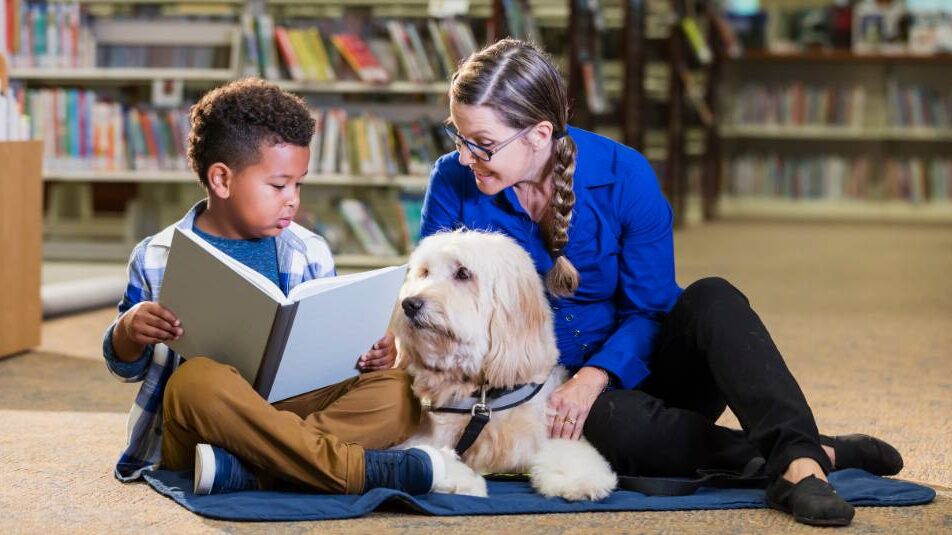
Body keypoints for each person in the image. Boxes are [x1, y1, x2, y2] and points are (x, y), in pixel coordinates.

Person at [412, 39, 903, 527]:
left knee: (713, 296)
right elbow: (428, 289)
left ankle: (800, 468)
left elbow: (649, 309)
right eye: (458, 135)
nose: (466, 153)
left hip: (640, 370)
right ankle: (814, 453)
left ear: (539, 135)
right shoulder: (451, 179)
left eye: (482, 143)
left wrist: (595, 375)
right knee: (611, 427)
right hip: (535, 393)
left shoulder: (627, 176)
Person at [102, 78, 446, 497]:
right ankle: (352, 469)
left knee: (399, 392)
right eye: (279, 185)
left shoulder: (310, 251)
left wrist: (374, 354)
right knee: (196, 381)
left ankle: (246, 470)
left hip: (288, 410)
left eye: (299, 184)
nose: (293, 200)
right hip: (205, 422)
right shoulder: (157, 255)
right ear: (222, 180)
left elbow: (330, 355)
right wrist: (128, 332)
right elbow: (126, 367)